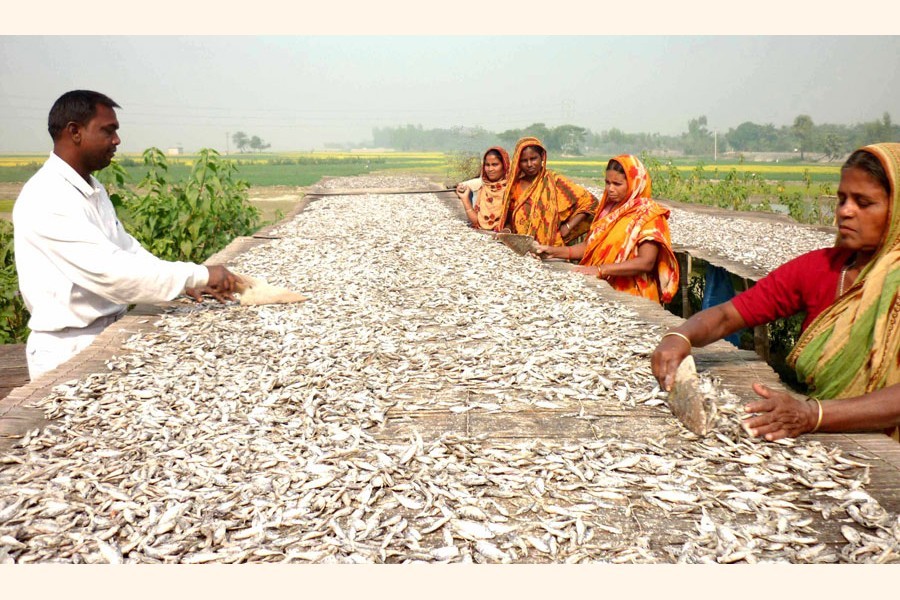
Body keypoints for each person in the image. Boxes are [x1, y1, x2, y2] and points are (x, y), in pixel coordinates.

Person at [651, 143, 900, 442]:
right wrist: (679, 335)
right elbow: (729, 314)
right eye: (842, 199)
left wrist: (812, 414)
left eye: (864, 202)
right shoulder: (821, 268)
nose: (845, 211)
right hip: (837, 437)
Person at [13, 90, 239, 379]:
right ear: (75, 132)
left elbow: (128, 252)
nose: (117, 141)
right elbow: (111, 273)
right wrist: (201, 275)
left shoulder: (91, 189)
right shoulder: (48, 197)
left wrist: (181, 282)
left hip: (104, 335)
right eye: (108, 131)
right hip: (68, 347)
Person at [536, 154, 679, 304]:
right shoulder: (608, 210)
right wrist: (554, 251)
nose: (610, 189)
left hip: (634, 295)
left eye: (617, 184)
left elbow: (646, 262)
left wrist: (600, 270)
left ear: (634, 184)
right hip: (601, 290)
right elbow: (590, 247)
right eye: (607, 183)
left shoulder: (649, 215)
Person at [497, 137, 597, 246]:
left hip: (552, 248)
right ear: (518, 162)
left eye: (534, 158)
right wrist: (507, 231)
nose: (530, 164)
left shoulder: (555, 181)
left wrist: (568, 227)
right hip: (520, 249)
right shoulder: (514, 187)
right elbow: (509, 219)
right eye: (524, 160)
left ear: (542, 157)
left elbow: (590, 202)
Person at [454, 146, 510, 230]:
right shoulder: (483, 189)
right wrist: (465, 199)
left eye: (495, 164)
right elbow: (477, 222)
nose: (490, 169)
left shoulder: (512, 188)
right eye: (487, 165)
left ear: (504, 166)